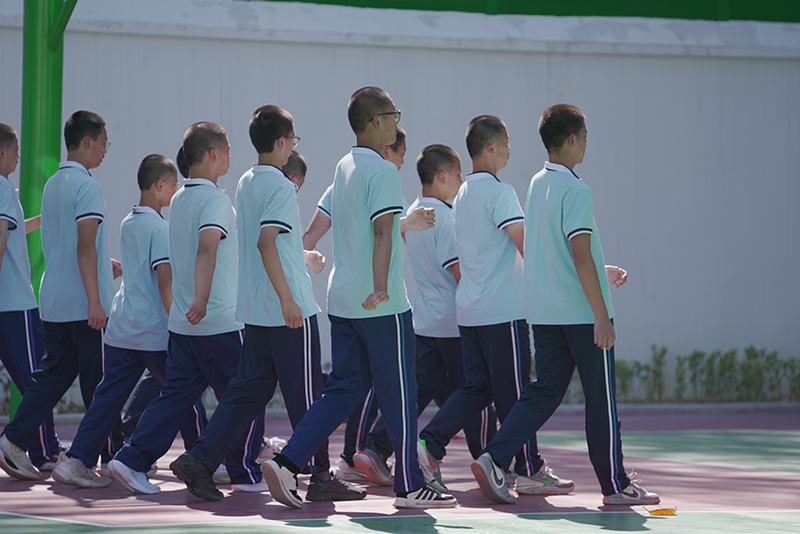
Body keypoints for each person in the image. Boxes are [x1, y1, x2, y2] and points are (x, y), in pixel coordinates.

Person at [262, 86, 455, 509]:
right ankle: (409, 485)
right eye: (393, 115)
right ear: (375, 121)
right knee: (400, 393)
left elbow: (366, 226)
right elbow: (382, 232)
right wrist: (382, 285)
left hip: (344, 300)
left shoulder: (344, 165)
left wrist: (406, 223)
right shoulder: (383, 171)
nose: (397, 122)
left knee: (343, 391)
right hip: (380, 304)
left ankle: (288, 462)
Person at [169, 105, 364, 503]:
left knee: (245, 393)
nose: (293, 145)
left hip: (256, 310)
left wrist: (295, 267)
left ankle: (200, 459)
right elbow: (266, 242)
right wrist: (289, 300)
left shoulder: (245, 180)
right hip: (287, 309)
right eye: (292, 139)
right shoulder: (280, 186)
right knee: (308, 396)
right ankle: (320, 475)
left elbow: (272, 244)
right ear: (281, 142)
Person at [471, 104, 659, 506]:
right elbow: (579, 254)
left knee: (544, 391)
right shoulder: (577, 189)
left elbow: (551, 250)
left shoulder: (537, 183)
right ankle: (615, 485)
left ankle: (494, 456)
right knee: (601, 399)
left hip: (545, 313)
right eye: (585, 137)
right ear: (572, 139)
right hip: (580, 314)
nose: (587, 144)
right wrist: (601, 316)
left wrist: (600, 270)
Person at [417, 116, 573, 496]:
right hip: (502, 312)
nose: (509, 150)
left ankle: (429, 443)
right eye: (506, 143)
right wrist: (568, 281)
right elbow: (526, 244)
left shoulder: (463, 195)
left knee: (478, 389)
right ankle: (530, 469)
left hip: (470, 312)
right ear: (490, 147)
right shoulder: (501, 193)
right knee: (518, 395)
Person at [108, 122, 263, 495]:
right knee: (247, 393)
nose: (231, 155)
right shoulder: (215, 201)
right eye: (227, 149)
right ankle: (242, 472)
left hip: (183, 323)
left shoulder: (178, 200)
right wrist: (202, 298)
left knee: (175, 396)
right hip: (216, 319)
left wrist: (193, 302)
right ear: (213, 154)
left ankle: (131, 458)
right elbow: (208, 247)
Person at [51, 154, 210, 488]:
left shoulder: (129, 221)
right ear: (159, 185)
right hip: (153, 330)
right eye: (174, 185)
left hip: (122, 328)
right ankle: (204, 459)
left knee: (106, 399)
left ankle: (75, 460)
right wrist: (180, 323)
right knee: (184, 393)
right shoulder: (161, 228)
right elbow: (164, 282)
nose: (177, 191)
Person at [356, 144, 499, 486]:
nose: (462, 182)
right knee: (477, 392)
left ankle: (375, 447)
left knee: (417, 393)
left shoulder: (411, 213)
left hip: (425, 319)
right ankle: (491, 459)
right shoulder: (444, 217)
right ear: (442, 176)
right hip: (453, 321)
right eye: (459, 175)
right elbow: (459, 274)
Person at [0, 111, 121, 481]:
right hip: (83, 303)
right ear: (87, 142)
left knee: (53, 376)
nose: (106, 151)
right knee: (102, 382)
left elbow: (67, 241)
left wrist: (103, 266)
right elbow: (85, 246)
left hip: (54, 300)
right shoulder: (88, 187)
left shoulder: (53, 183)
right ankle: (91, 458)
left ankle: (14, 439)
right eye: (104, 143)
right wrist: (95, 300)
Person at [0, 123, 62, 477]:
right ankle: (42, 449)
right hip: (13, 303)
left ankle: (43, 447)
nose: (19, 157)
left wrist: (43, 220)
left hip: (8, 303)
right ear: (2, 152)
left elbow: (12, 230)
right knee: (37, 381)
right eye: (15, 150)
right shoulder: (3, 188)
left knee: (33, 379)